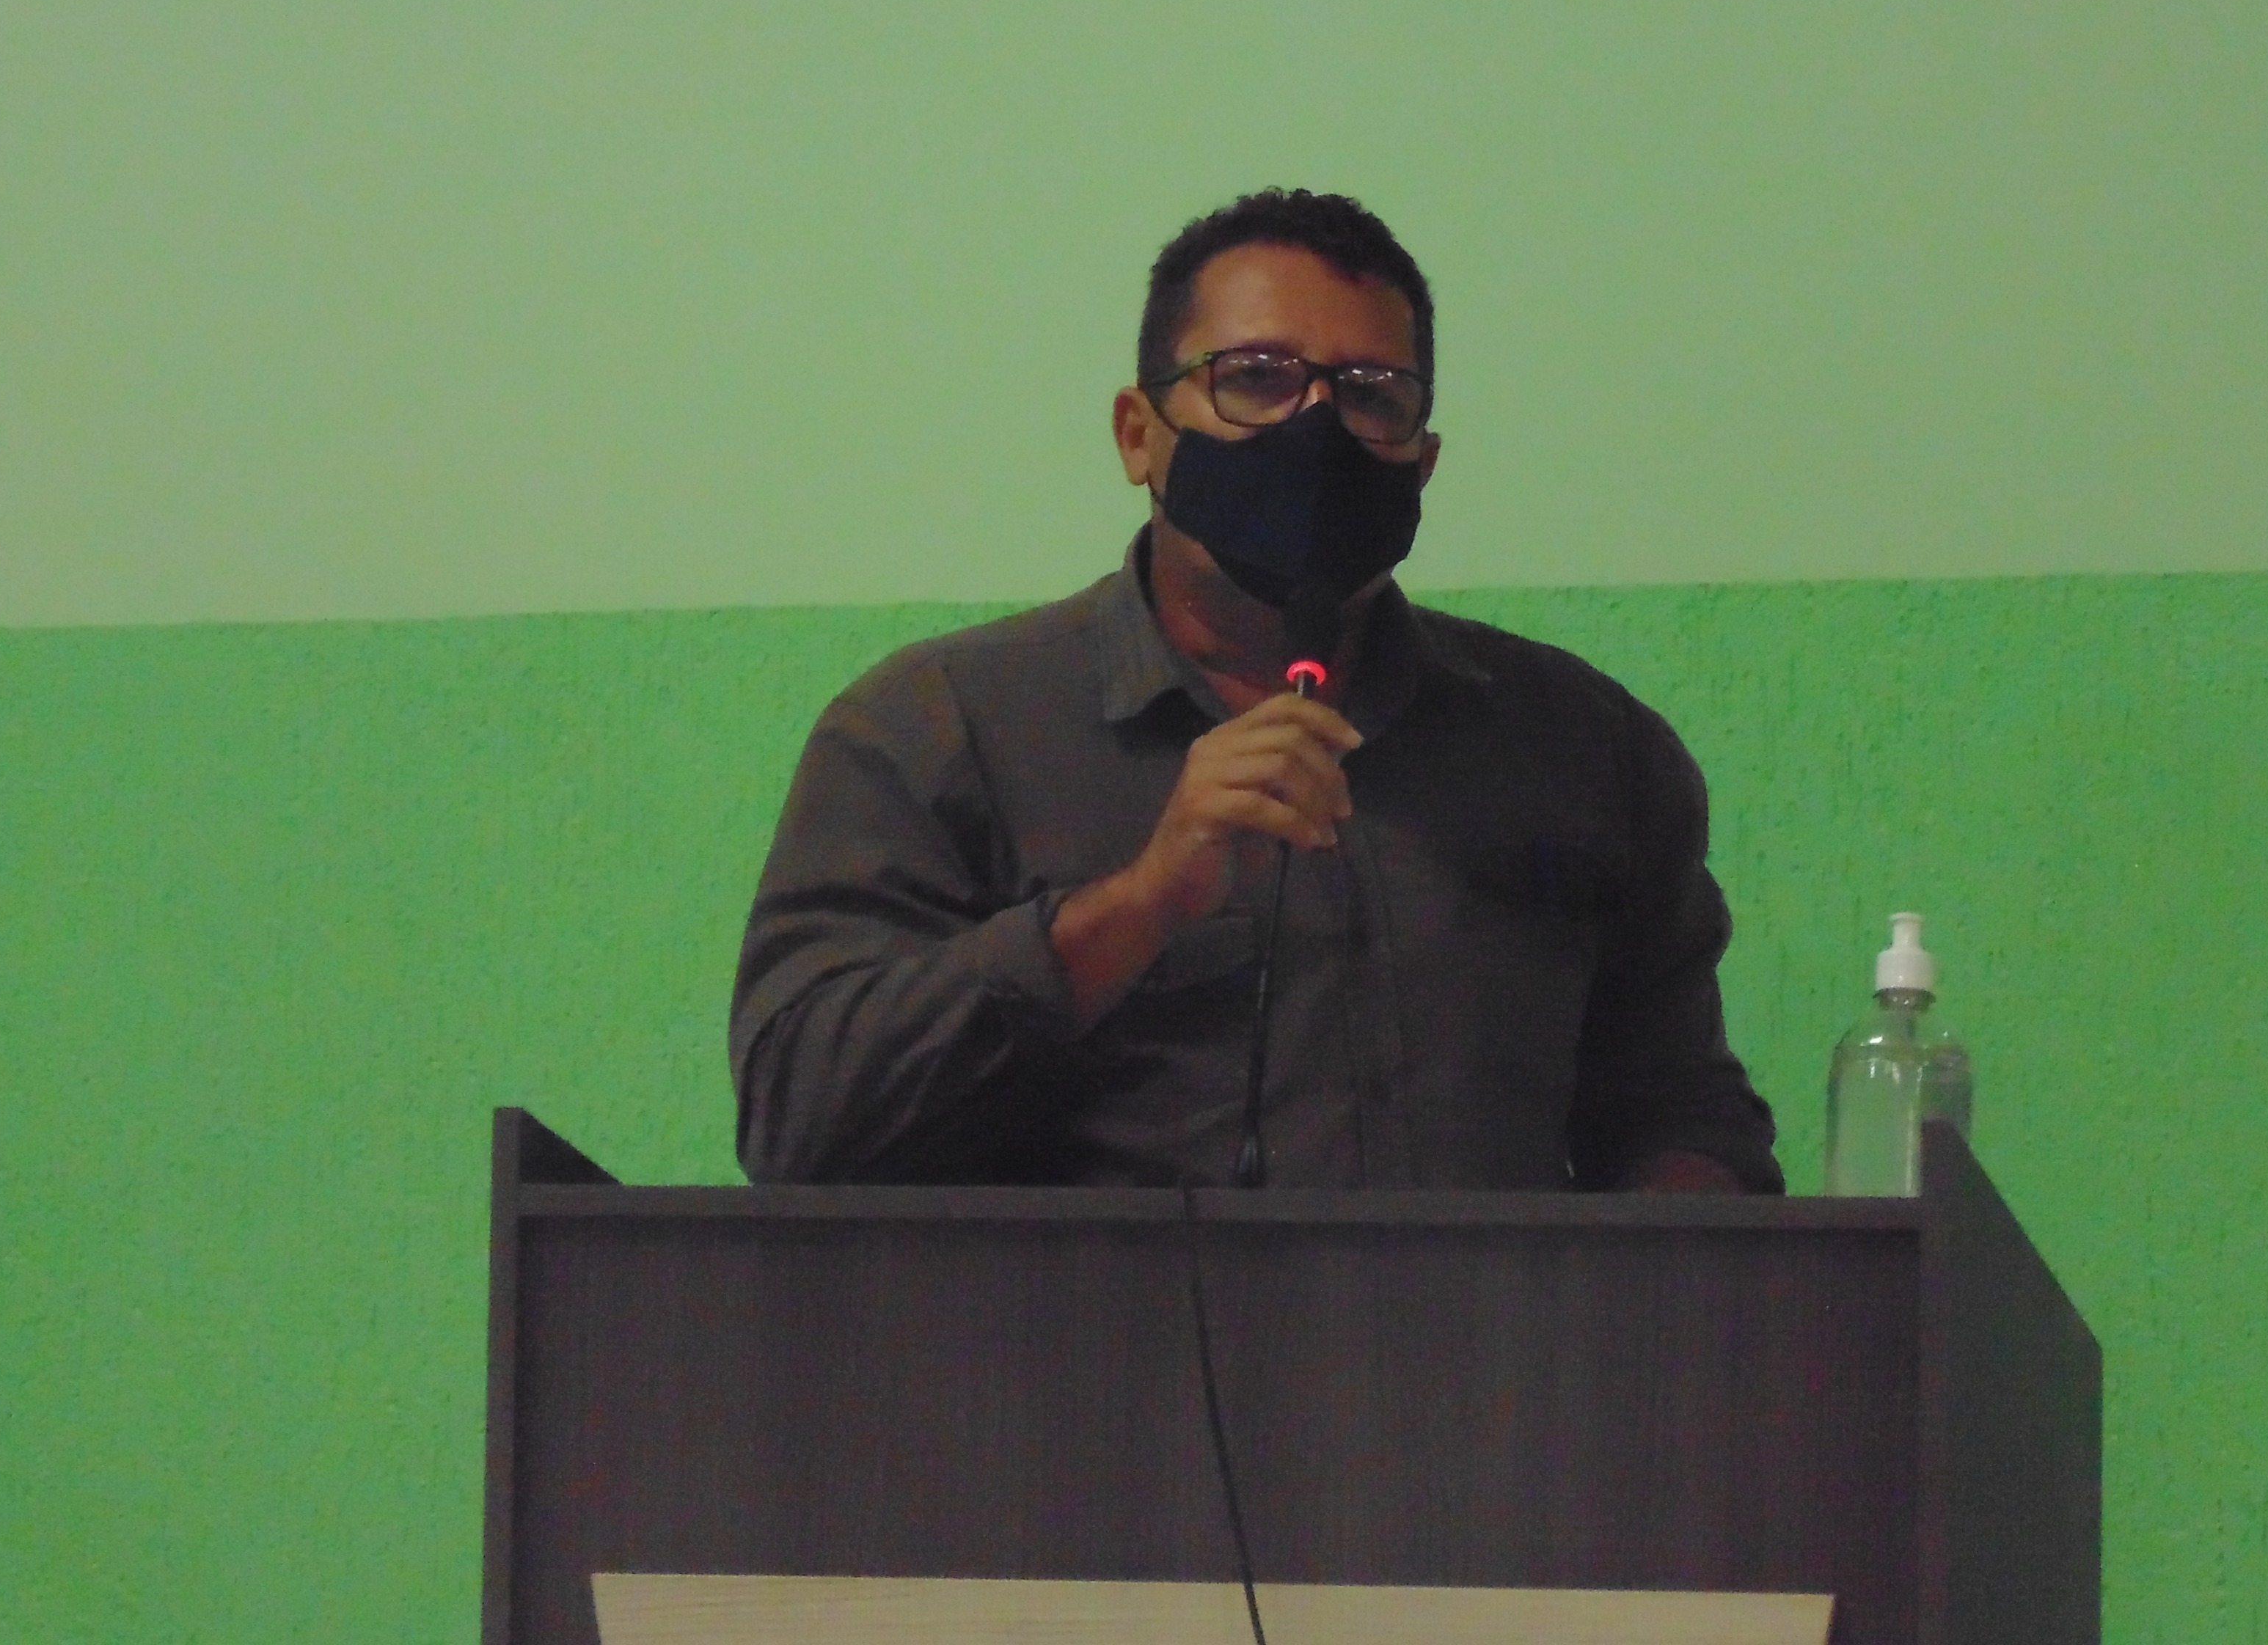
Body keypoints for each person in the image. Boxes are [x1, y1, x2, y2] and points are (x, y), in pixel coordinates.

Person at [730, 188, 1779, 1192]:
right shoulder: (938, 730)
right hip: (1074, 1324)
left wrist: (1684, 1227)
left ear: (1423, 463)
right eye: (1255, 379)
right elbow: (802, 1122)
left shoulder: (1582, 747)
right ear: (1137, 433)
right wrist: (1139, 905)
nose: (1314, 428)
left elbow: (1681, 1117)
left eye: (1371, 395)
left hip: (1486, 1327)